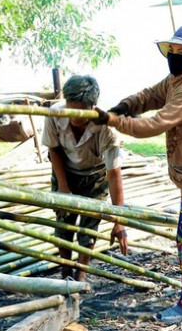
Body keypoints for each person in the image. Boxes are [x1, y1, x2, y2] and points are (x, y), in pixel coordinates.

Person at [93, 25, 182, 324]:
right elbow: (149, 96)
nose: (173, 56)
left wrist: (115, 121)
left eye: (180, 53)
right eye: (172, 51)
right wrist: (126, 105)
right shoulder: (176, 80)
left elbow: (155, 124)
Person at [41, 75, 128, 282]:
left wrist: (119, 222)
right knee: (63, 225)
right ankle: (65, 272)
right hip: (64, 171)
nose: (75, 118)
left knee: (89, 229)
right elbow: (53, 149)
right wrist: (62, 186)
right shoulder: (54, 114)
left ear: (93, 106)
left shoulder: (108, 130)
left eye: (81, 111)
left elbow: (114, 175)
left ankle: (80, 275)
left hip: (95, 177)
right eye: (72, 109)